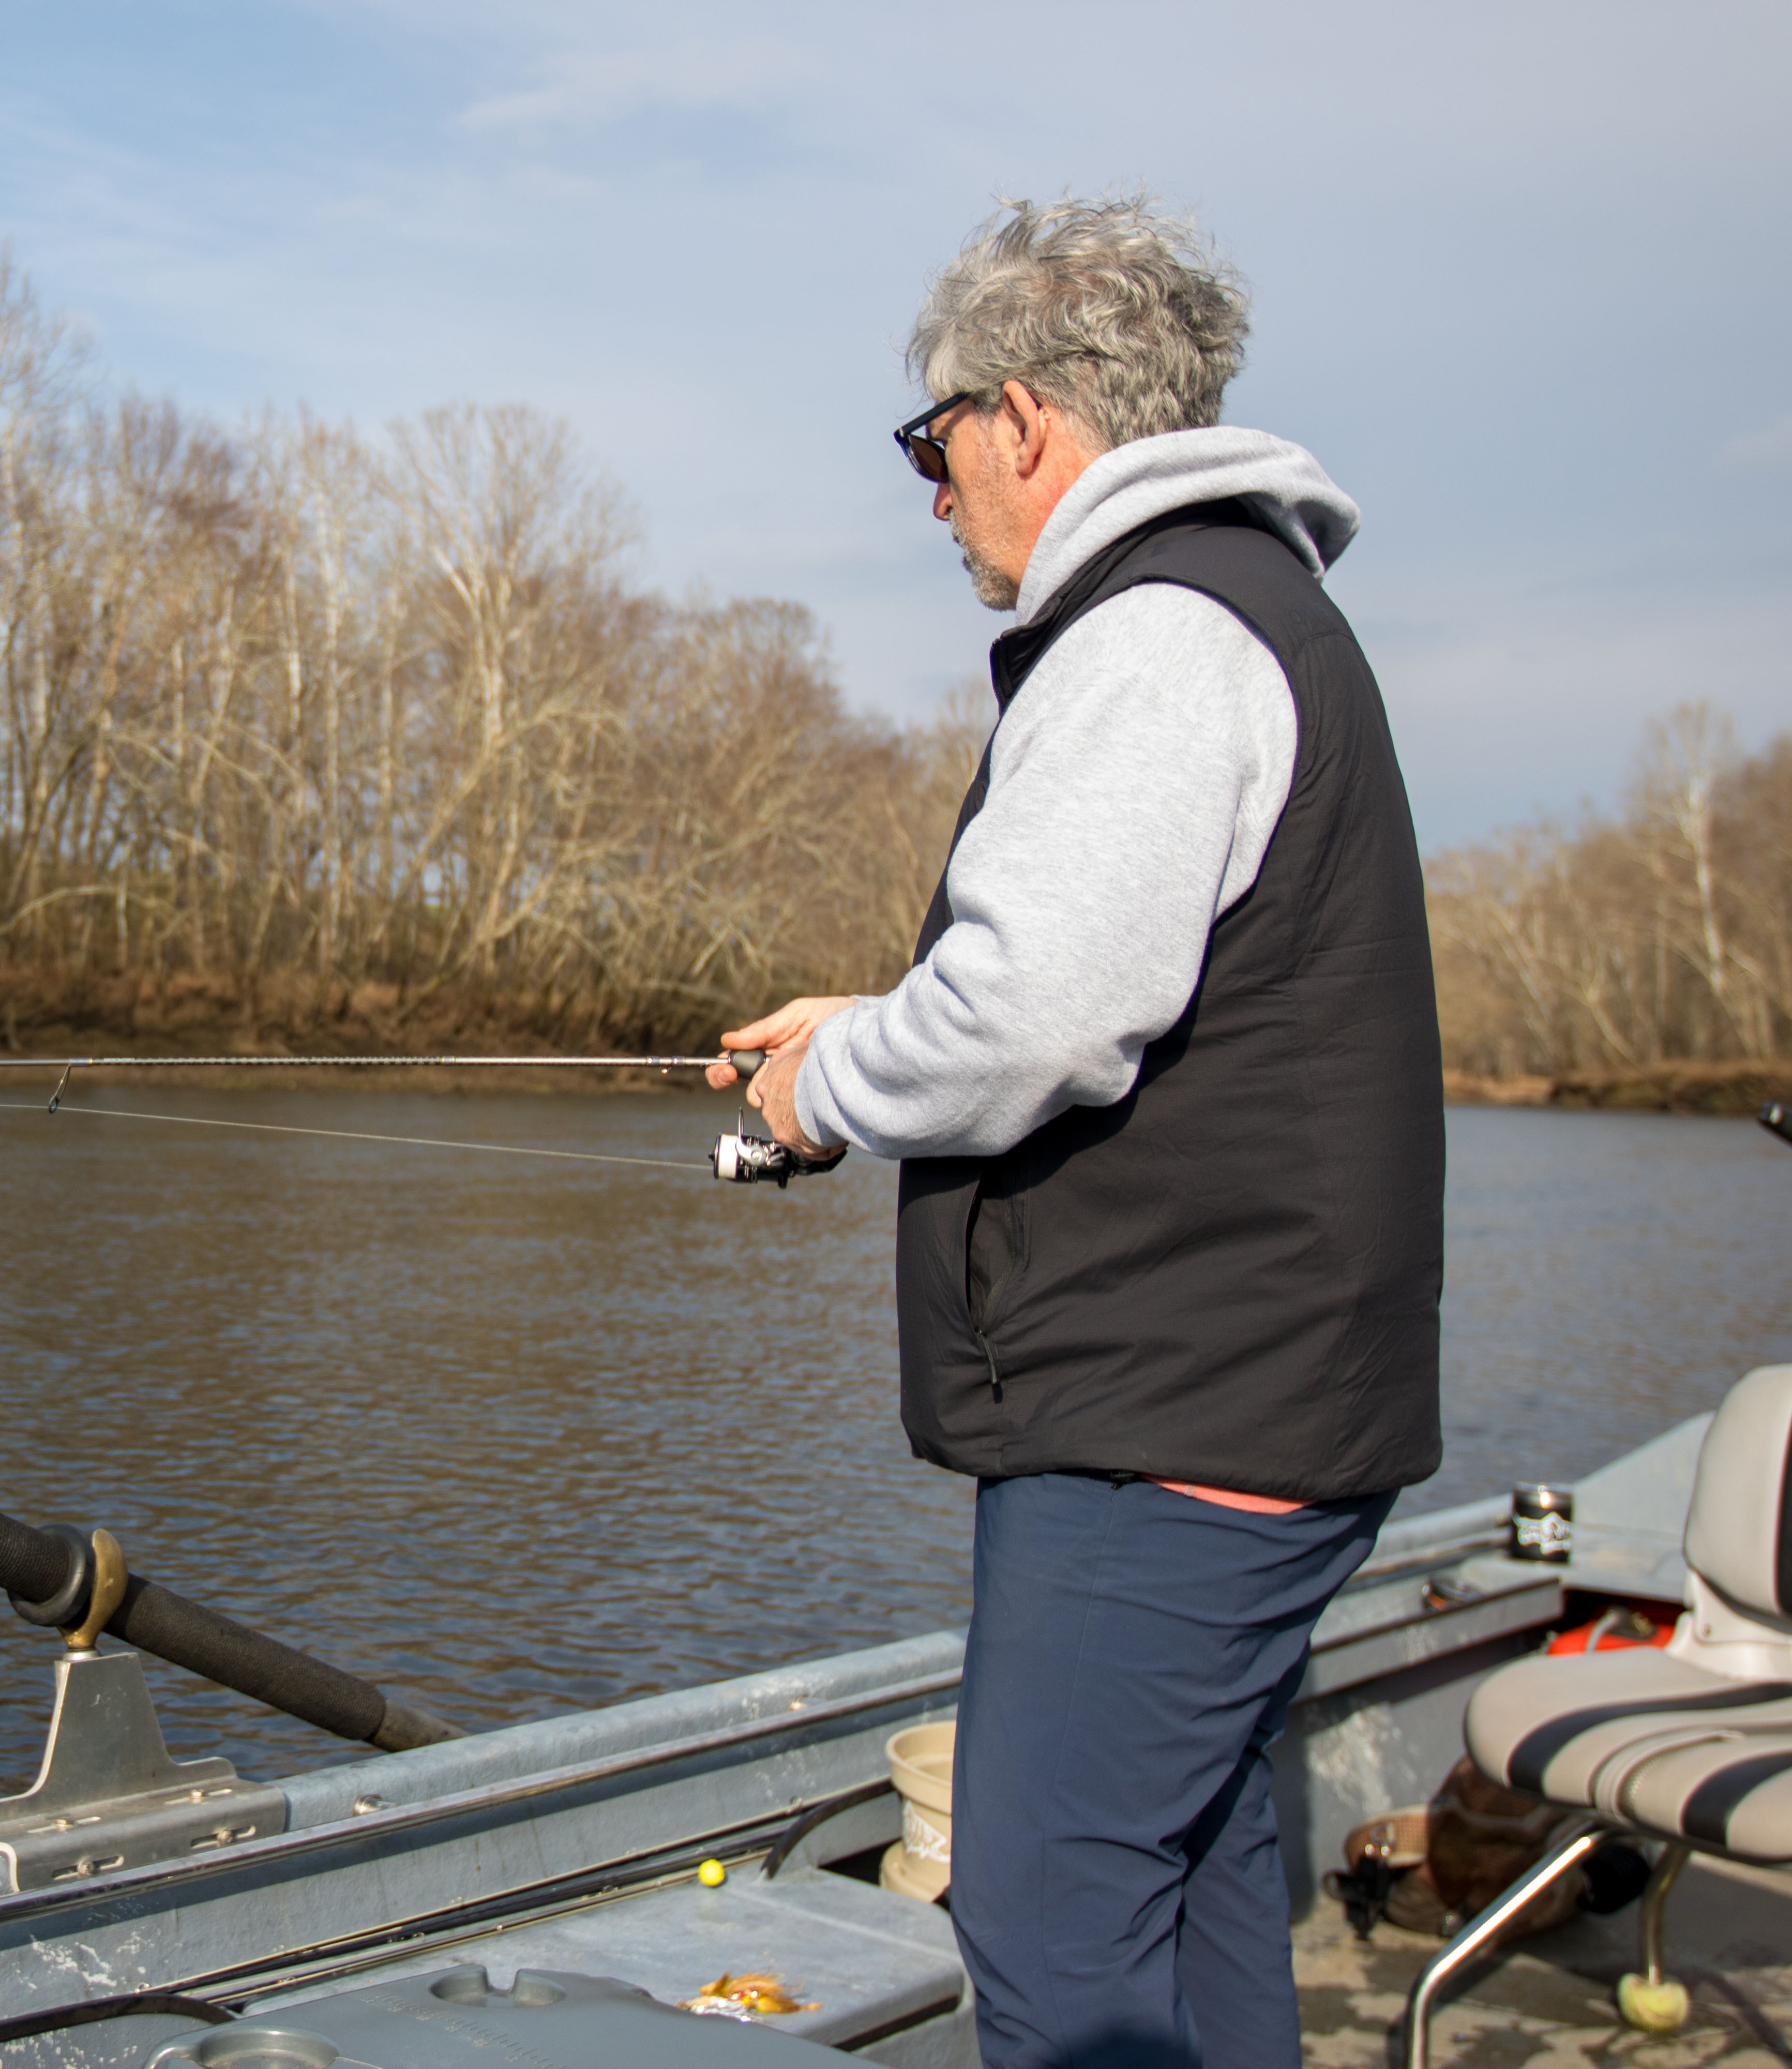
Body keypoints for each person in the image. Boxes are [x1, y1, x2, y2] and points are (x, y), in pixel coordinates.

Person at [710, 198, 1443, 2067]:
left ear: (1022, 418)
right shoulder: (1230, 613)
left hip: (1168, 1428)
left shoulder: (1157, 638)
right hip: (1244, 1406)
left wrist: (830, 1088)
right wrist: (867, 1030)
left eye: (932, 438)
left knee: (1046, 1924)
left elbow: (1034, 1019)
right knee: (1194, 1903)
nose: (931, 486)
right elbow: (1085, 986)